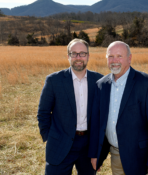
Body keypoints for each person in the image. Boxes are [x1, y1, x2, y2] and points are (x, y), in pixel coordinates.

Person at [89, 41, 148, 175]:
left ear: (129, 58)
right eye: (111, 56)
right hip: (116, 155)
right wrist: (95, 154)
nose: (114, 61)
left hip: (140, 157)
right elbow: (97, 124)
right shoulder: (101, 85)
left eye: (119, 56)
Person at [37, 38, 103, 175]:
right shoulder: (54, 80)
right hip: (59, 143)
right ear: (68, 57)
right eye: (74, 53)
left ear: (88, 56)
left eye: (82, 53)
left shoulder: (99, 81)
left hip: (88, 146)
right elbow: (43, 112)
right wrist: (50, 138)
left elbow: (103, 117)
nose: (78, 57)